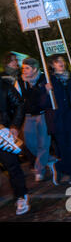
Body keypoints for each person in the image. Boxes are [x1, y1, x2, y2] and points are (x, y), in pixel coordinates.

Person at [17, 58, 58, 184]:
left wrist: (46, 90)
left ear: (35, 69)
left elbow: (41, 98)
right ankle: (51, 160)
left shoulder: (43, 79)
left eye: (27, 68)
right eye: (23, 68)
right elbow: (20, 100)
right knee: (30, 144)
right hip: (29, 116)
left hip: (42, 115)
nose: (24, 71)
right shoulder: (20, 82)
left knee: (43, 144)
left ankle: (39, 171)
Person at [45, 55, 71, 185]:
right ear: (52, 65)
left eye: (62, 61)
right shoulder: (49, 80)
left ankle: (59, 167)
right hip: (58, 119)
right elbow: (43, 103)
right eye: (57, 61)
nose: (61, 63)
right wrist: (46, 91)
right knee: (64, 146)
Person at [0, 78, 30, 215]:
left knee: (11, 166)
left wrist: (14, 125)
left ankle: (21, 196)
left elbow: (19, 104)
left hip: (3, 133)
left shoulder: (4, 86)